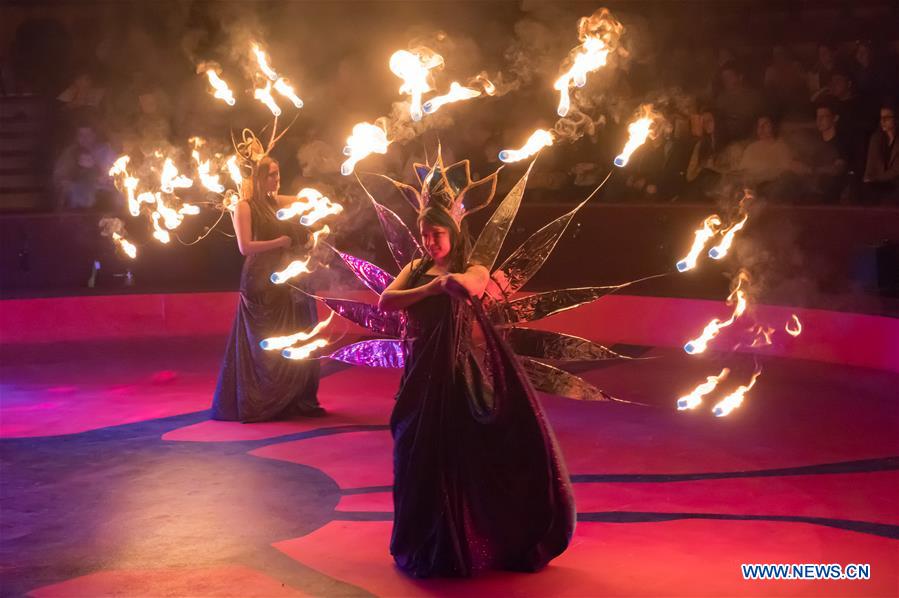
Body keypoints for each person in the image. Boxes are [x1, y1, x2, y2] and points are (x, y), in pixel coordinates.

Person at [378, 165, 575, 577]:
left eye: (438, 234)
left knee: (454, 455)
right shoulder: (415, 269)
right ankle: (422, 536)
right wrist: (429, 287)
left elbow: (472, 286)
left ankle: (460, 541)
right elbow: (386, 301)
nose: (430, 242)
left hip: (455, 375)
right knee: (414, 453)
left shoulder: (474, 265)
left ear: (453, 233)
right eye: (425, 234)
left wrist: (447, 284)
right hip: (418, 378)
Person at [211, 156, 324, 421]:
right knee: (265, 341)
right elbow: (245, 247)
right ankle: (263, 401)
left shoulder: (277, 202)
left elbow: (305, 199)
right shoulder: (244, 207)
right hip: (260, 280)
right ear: (259, 178)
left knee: (293, 331)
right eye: (271, 175)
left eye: (278, 173)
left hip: (285, 279)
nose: (277, 179)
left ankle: (290, 400)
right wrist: (279, 242)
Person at [863, 104, 899, 203]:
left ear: (896, 119)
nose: (882, 121)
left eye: (886, 118)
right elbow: (870, 163)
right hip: (879, 182)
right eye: (881, 118)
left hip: (894, 182)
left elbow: (896, 170)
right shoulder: (876, 138)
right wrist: (867, 179)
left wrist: (875, 179)